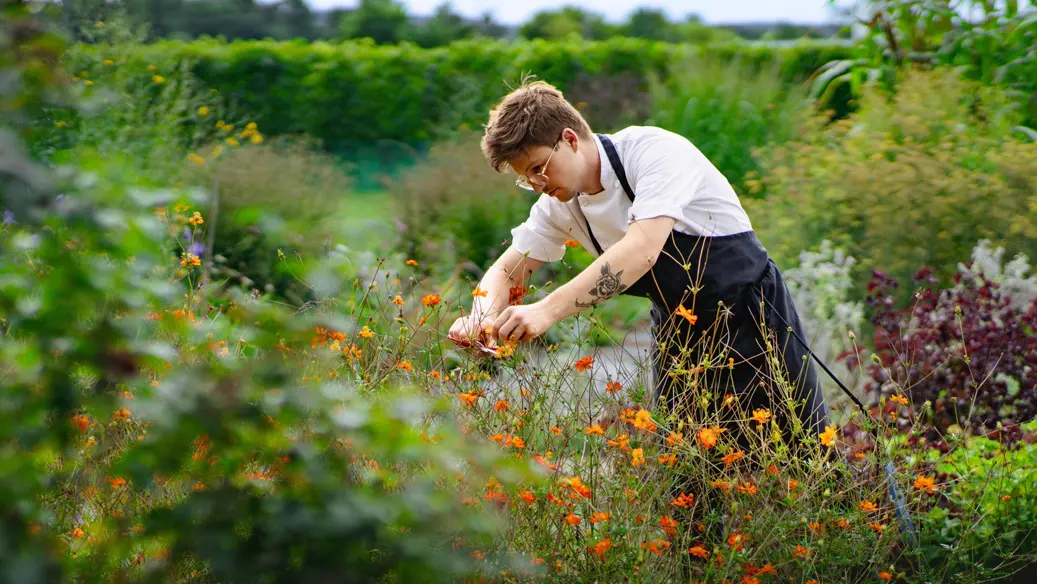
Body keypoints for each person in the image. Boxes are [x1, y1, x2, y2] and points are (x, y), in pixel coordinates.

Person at [447, 78, 831, 453]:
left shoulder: (654, 152)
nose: (536, 184)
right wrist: (481, 317)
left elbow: (642, 248)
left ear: (568, 139)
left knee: (802, 456)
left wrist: (547, 310)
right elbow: (507, 269)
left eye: (537, 168)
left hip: (753, 316)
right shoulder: (561, 204)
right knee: (687, 473)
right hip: (679, 335)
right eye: (525, 178)